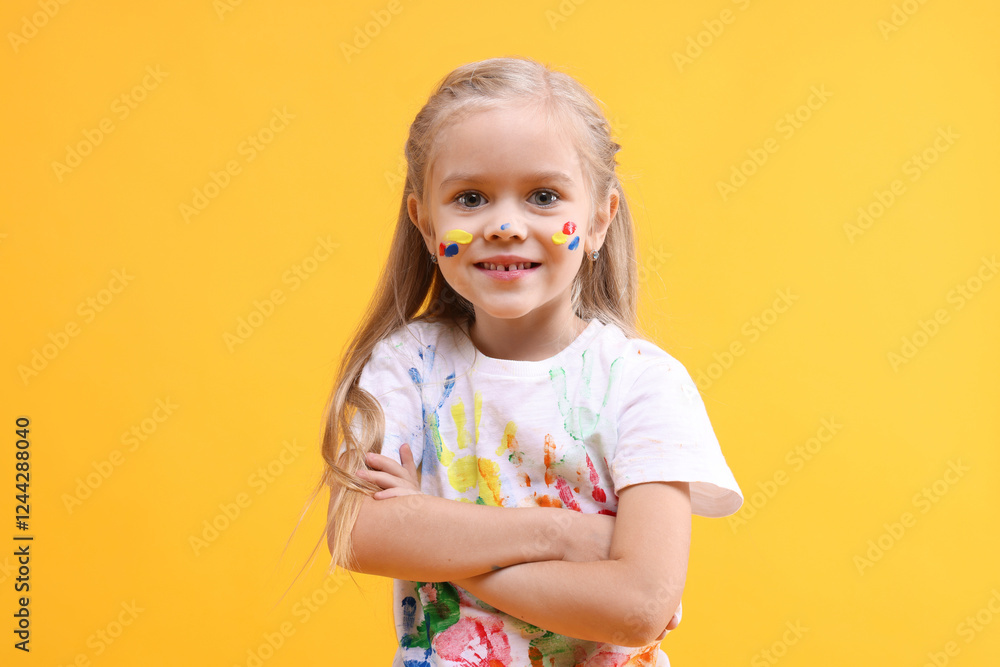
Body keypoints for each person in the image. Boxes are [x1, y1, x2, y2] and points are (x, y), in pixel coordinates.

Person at [318, 56, 744, 666]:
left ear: (599, 218)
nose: (506, 225)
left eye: (544, 196)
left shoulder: (643, 386)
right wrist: (566, 537)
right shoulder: (409, 364)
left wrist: (436, 536)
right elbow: (358, 533)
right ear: (424, 219)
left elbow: (639, 607)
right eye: (470, 198)